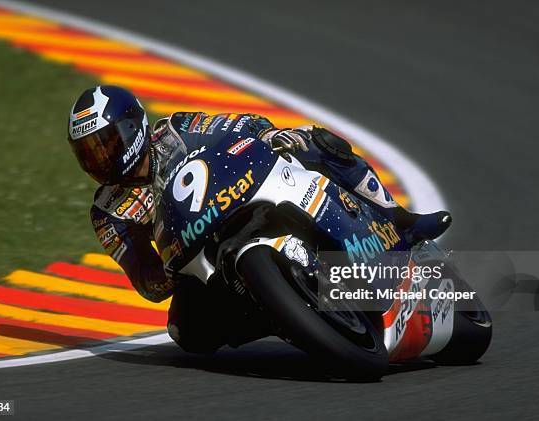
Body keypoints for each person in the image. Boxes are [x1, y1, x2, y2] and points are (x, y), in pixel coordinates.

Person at [67, 85, 451, 353]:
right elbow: (146, 281)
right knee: (186, 334)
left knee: (316, 142)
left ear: (133, 128)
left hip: (240, 199)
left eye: (107, 144)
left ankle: (400, 219)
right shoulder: (107, 211)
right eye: (88, 154)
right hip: (193, 259)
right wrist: (165, 273)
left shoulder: (177, 128)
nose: (98, 159)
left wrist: (272, 135)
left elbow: (237, 125)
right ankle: (284, 315)